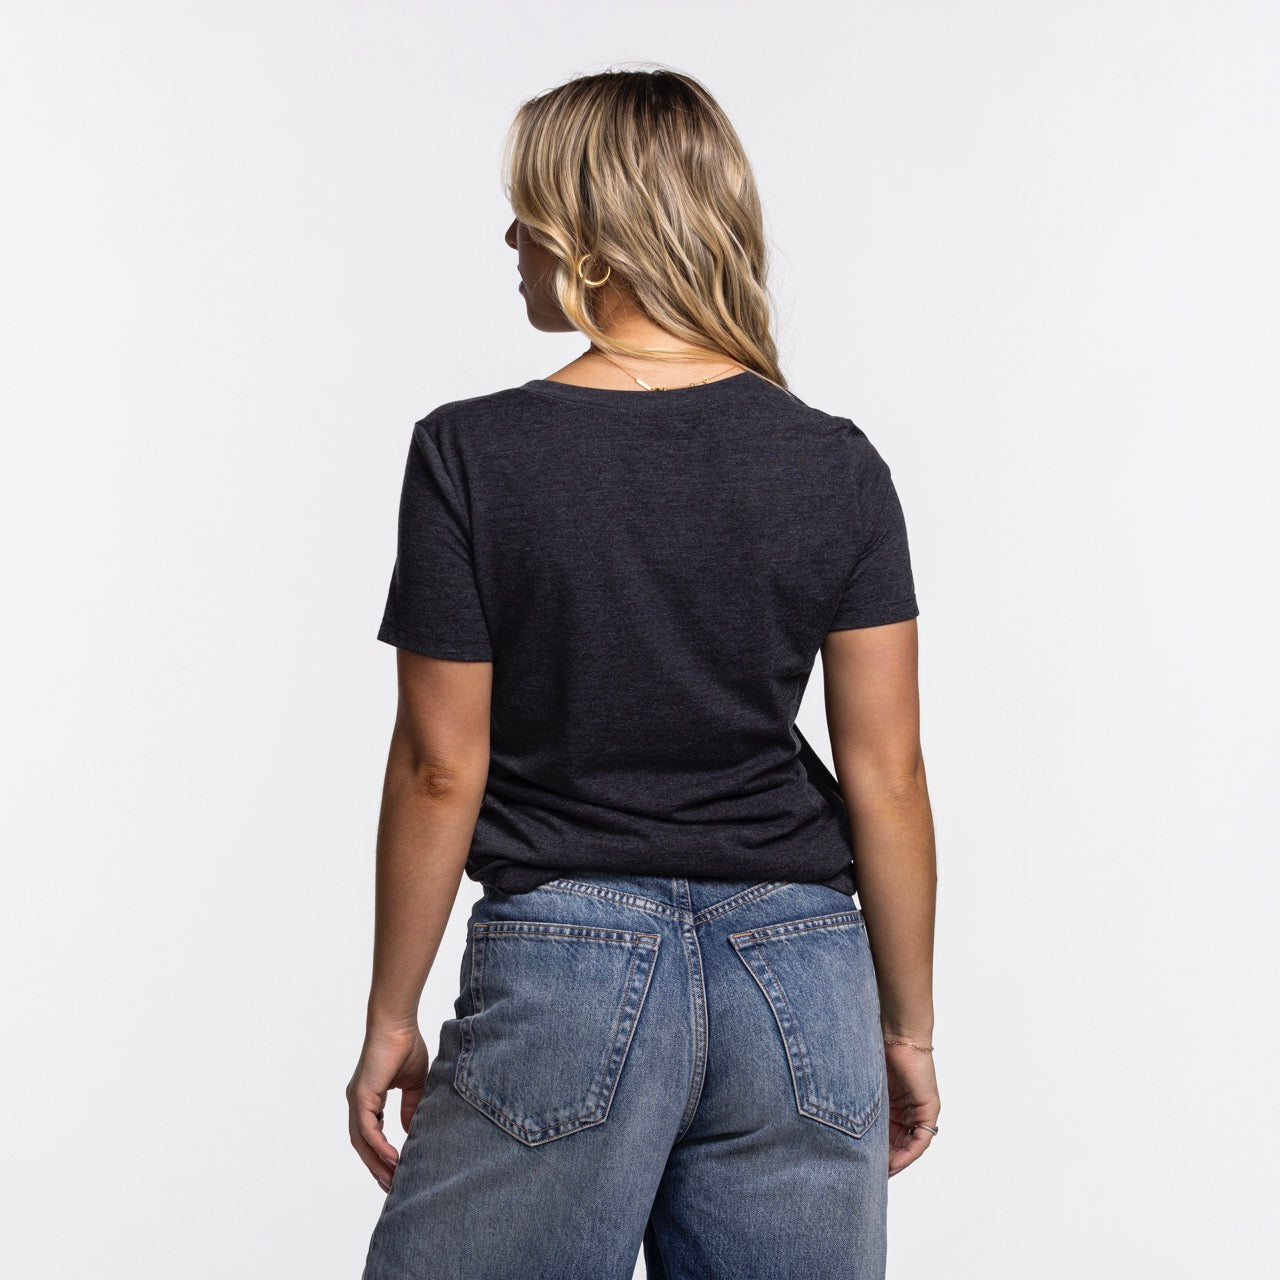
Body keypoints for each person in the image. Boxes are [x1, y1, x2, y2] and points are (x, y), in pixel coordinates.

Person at [349, 66, 939, 1280]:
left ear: (593, 240)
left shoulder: (472, 452)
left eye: (530, 212)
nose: (511, 238)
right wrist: (906, 1024)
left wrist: (391, 1015)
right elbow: (884, 775)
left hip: (566, 966)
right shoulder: (833, 462)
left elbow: (437, 763)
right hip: (803, 971)